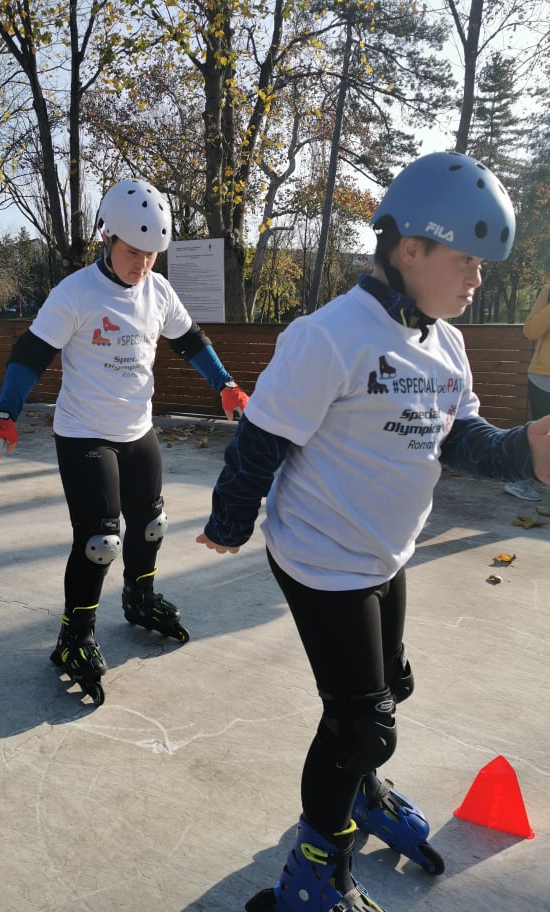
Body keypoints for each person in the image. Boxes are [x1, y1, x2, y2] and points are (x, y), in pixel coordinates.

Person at [196, 151, 550, 912]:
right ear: (409, 249)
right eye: (467, 261)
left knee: (391, 691)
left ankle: (358, 791)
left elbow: (459, 439)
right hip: (321, 556)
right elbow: (263, 436)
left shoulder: (445, 344)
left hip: (384, 554)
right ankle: (313, 872)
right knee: (361, 725)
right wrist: (230, 520)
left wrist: (524, 448)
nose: (477, 279)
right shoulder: (331, 335)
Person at [0, 178, 249, 706]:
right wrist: (4, 413)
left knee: (150, 525)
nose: (141, 264)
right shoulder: (75, 293)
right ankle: (74, 636)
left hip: (136, 429)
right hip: (83, 433)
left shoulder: (158, 291)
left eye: (150, 254)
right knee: (100, 540)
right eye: (132, 252)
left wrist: (226, 384)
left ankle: (139, 598)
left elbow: (191, 341)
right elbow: (31, 353)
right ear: (108, 239)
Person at [504, 281, 550, 501]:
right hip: (543, 377)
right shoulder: (548, 291)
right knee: (539, 434)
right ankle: (517, 481)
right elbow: (531, 331)